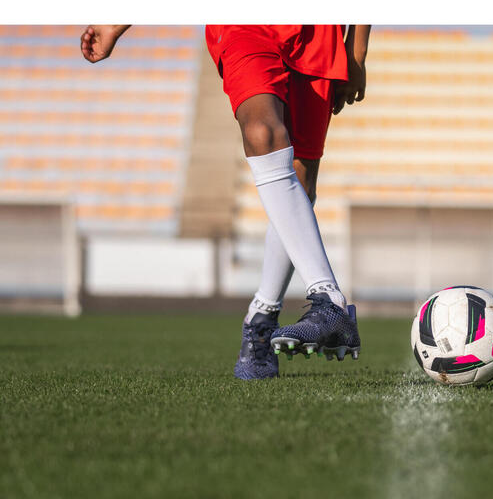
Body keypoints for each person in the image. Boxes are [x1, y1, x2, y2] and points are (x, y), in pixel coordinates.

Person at [80, 24, 371, 379]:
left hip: (317, 34)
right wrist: (115, 25)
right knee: (263, 132)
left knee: (300, 182)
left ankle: (261, 317)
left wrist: (355, 55)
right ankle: (329, 300)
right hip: (246, 26)